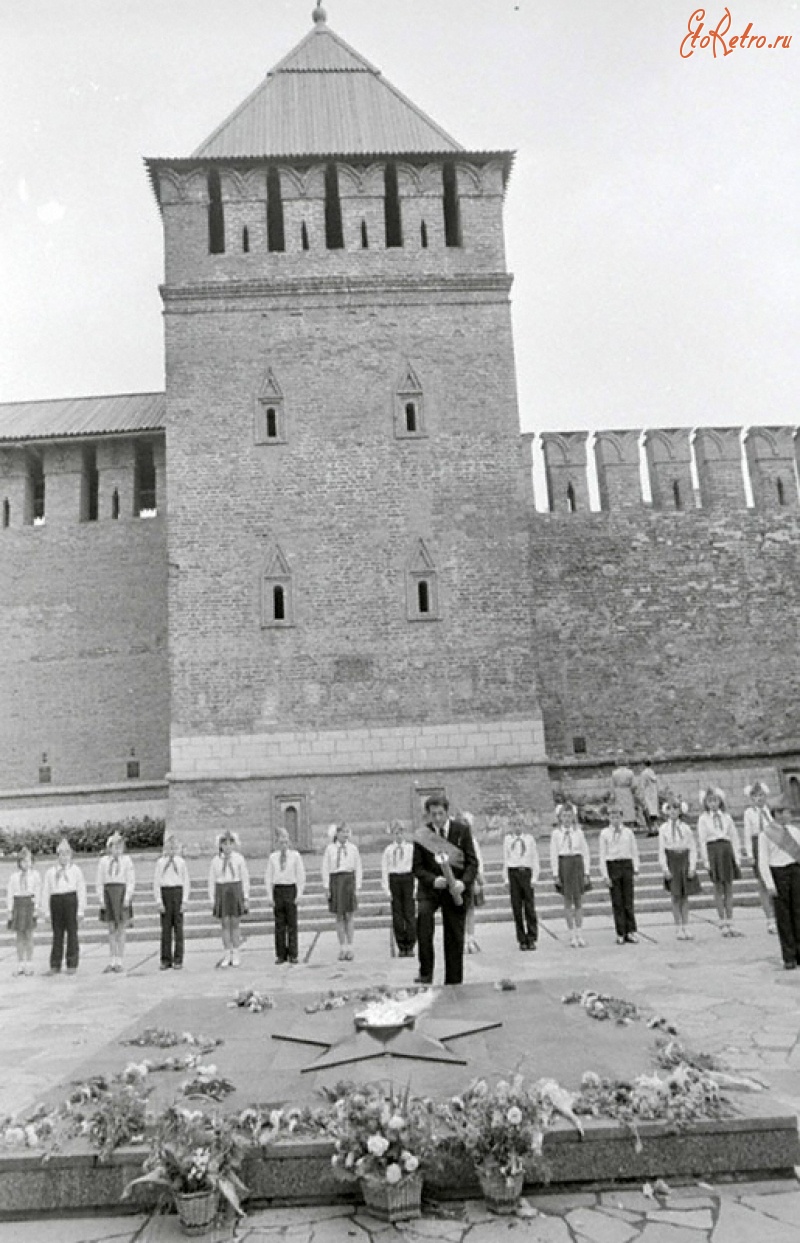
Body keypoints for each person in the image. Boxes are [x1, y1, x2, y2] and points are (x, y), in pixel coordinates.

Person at [412, 794, 478, 985]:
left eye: (441, 813)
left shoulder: (462, 831)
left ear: (447, 812)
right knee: (424, 922)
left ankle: (454, 979)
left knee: (454, 934)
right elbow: (417, 868)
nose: (438, 818)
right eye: (434, 815)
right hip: (431, 889)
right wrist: (434, 880)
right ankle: (425, 973)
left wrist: (463, 883)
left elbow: (472, 863)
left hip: (454, 888)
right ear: (428, 815)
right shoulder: (422, 836)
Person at [758, 804, 800, 970]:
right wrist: (769, 883)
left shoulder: (795, 831)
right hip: (778, 872)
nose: (790, 814)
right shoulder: (766, 834)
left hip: (795, 870)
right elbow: (763, 860)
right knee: (783, 916)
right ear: (777, 814)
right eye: (787, 812)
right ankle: (789, 956)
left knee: (798, 912)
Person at [697, 787, 743, 937]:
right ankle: (721, 920)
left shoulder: (726, 817)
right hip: (713, 850)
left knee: (728, 887)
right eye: (710, 801)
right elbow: (702, 840)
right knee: (718, 887)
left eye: (715, 800)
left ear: (720, 801)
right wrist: (706, 861)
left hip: (726, 849)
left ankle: (730, 920)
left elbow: (734, 837)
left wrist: (736, 857)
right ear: (705, 803)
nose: (713, 804)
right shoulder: (703, 819)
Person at [549, 802, 591, 947]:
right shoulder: (556, 834)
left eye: (569, 816)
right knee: (567, 901)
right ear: (560, 818)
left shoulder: (578, 833)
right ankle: (571, 933)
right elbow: (553, 854)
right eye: (564, 816)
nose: (567, 819)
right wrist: (555, 874)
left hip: (577, 864)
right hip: (564, 864)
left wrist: (586, 872)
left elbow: (585, 852)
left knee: (579, 900)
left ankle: (579, 932)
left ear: (573, 817)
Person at [42, 839, 87, 975]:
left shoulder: (75, 870)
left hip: (70, 899)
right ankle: (55, 964)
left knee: (72, 933)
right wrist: (46, 912)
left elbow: (81, 889)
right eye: (61, 855)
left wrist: (80, 910)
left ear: (71, 856)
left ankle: (72, 962)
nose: (64, 857)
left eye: (67, 854)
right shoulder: (51, 872)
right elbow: (46, 891)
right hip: (56, 900)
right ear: (57, 856)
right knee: (57, 934)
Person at [658, 797, 699, 940]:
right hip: (672, 860)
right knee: (675, 896)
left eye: (676, 809)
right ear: (666, 811)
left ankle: (686, 925)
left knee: (685, 896)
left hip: (684, 860)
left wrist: (692, 866)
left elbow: (692, 847)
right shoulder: (663, 829)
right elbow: (661, 850)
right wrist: (665, 868)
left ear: (680, 811)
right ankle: (677, 927)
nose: (673, 812)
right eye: (670, 809)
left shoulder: (685, 828)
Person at [598, 805, 640, 944]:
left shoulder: (628, 832)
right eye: (612, 817)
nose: (615, 820)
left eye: (617, 817)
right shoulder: (604, 833)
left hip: (626, 864)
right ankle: (620, 932)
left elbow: (634, 851)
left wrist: (636, 869)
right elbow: (602, 855)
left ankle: (631, 931)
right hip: (613, 865)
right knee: (617, 901)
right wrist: (605, 875)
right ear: (608, 818)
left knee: (628, 900)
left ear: (621, 817)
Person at [208, 831, 250, 968]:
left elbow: (245, 878)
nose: (227, 847)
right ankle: (227, 953)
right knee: (225, 924)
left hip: (235, 890)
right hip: (222, 891)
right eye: (224, 843)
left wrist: (246, 897)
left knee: (235, 923)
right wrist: (212, 899)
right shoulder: (215, 861)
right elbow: (212, 880)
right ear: (220, 845)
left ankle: (236, 952)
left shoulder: (238, 859)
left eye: (230, 843)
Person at [322, 823, 362, 961]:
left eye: (347, 832)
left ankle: (350, 946)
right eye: (342, 832)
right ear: (337, 834)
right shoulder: (330, 849)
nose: (345, 835)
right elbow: (325, 868)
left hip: (349, 880)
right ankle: (342, 946)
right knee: (339, 915)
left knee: (349, 914)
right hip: (336, 881)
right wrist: (326, 887)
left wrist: (358, 887)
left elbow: (358, 867)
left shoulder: (353, 849)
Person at [96, 832, 136, 974]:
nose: (117, 850)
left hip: (121, 893)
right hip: (109, 894)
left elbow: (130, 880)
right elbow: (99, 881)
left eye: (120, 847)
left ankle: (120, 959)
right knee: (111, 929)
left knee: (121, 928)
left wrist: (127, 898)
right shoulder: (103, 862)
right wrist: (101, 899)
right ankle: (112, 959)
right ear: (109, 848)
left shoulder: (127, 861)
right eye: (114, 847)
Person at [265, 827, 306, 965]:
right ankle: (281, 954)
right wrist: (269, 896)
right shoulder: (273, 857)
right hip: (278, 889)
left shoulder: (295, 856)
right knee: (279, 924)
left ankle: (293, 953)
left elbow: (300, 875)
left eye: (286, 842)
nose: (283, 845)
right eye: (281, 842)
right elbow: (269, 877)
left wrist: (299, 894)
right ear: (277, 843)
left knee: (292, 924)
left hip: (290, 889)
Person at [743, 782, 778, 935]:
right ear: (751, 798)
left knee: (775, 879)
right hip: (758, 844)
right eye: (756, 796)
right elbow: (747, 835)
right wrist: (750, 854)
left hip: (772, 844)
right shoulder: (749, 813)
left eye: (762, 795)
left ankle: (778, 915)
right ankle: (769, 918)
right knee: (763, 883)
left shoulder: (770, 811)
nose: (759, 798)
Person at [152, 833, 191, 970]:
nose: (171, 850)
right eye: (169, 847)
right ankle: (165, 959)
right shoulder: (160, 863)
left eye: (174, 847)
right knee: (166, 929)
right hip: (165, 893)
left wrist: (184, 900)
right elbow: (156, 882)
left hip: (177, 893)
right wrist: (159, 901)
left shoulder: (181, 863)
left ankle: (178, 958)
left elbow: (186, 882)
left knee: (178, 929)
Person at [502, 820, 539, 950]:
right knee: (517, 907)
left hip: (526, 872)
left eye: (519, 825)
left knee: (529, 907)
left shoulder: (529, 839)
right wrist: (506, 878)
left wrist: (534, 877)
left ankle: (532, 937)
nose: (517, 827)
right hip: (513, 872)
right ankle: (521, 939)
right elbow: (505, 859)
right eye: (514, 825)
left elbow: (535, 858)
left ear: (523, 826)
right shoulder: (508, 840)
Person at [380, 821, 416, 958]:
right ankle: (401, 945)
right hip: (395, 879)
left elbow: (416, 868)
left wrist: (416, 887)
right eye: (396, 833)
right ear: (393, 835)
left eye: (401, 833)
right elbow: (385, 869)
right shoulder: (389, 850)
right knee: (397, 915)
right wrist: (387, 889)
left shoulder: (411, 849)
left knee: (410, 914)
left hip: (408, 879)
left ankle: (411, 944)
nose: (399, 836)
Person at [6, 847, 41, 976]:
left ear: (32, 862)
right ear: (19, 863)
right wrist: (10, 910)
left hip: (29, 904)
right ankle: (20, 963)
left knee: (29, 935)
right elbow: (10, 893)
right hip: (18, 904)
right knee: (19, 936)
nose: (26, 864)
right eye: (23, 861)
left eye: (28, 861)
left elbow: (37, 892)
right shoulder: (14, 877)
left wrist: (36, 907)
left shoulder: (35, 875)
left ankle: (30, 963)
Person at [462, 812, 484, 954]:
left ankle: (471, 938)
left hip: (470, 878)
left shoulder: (473, 841)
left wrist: (478, 879)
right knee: (460, 910)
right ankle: (463, 939)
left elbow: (478, 860)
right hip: (459, 879)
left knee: (470, 910)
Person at [610, 757, 637, 827]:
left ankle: (621, 823)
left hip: (618, 791)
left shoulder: (614, 773)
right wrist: (633, 792)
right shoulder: (630, 772)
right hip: (627, 791)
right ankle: (630, 824)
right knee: (628, 808)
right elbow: (634, 785)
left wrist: (612, 795)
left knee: (620, 807)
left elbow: (612, 785)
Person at [636, 760, 660, 836]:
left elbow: (642, 786)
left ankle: (651, 830)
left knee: (647, 812)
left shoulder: (644, 774)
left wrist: (640, 795)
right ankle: (656, 828)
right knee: (653, 813)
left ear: (643, 764)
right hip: (653, 794)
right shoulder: (652, 772)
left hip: (647, 794)